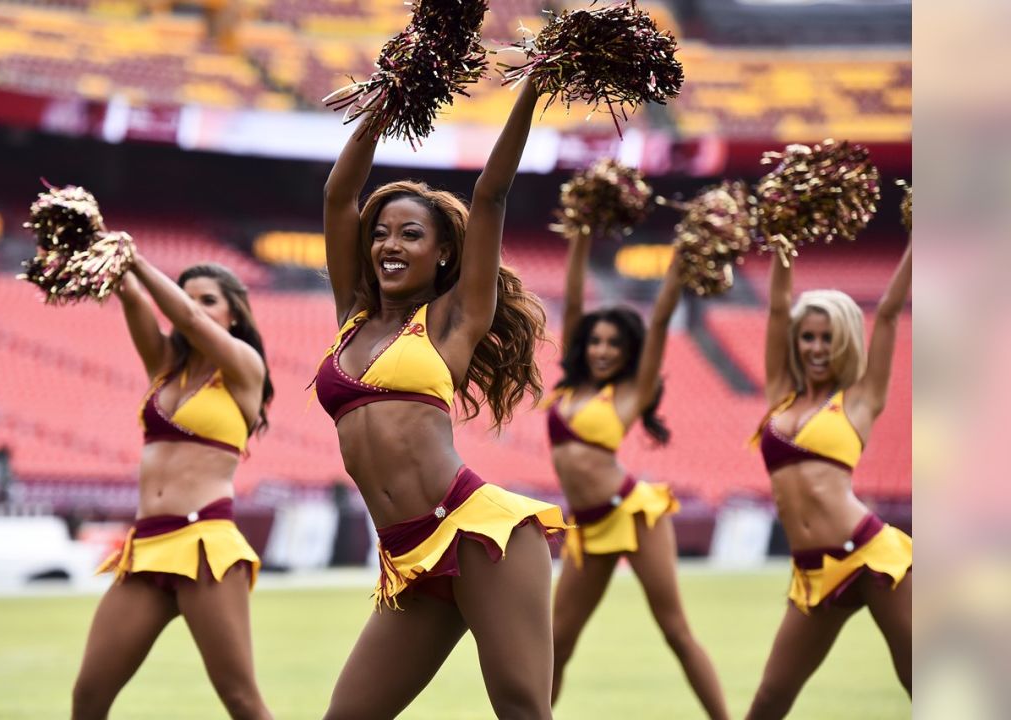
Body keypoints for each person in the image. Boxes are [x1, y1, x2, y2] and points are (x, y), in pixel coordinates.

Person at [316, 81, 568, 719]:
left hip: (477, 532)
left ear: (443, 251)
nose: (389, 245)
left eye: (409, 234)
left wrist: (534, 87)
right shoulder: (352, 312)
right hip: (406, 557)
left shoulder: (454, 319)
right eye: (380, 234)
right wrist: (388, 98)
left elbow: (490, 194)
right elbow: (339, 195)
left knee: (522, 710)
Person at [71, 258, 275, 720]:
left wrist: (136, 258)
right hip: (146, 548)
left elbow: (186, 317)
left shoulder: (244, 369)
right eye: (186, 294)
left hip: (204, 544)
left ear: (234, 315)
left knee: (241, 700)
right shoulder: (165, 365)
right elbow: (131, 294)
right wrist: (102, 244)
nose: (192, 306)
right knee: (88, 696)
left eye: (207, 299)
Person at [546, 237, 728, 716]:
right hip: (587, 528)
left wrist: (682, 262)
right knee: (555, 645)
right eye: (597, 341)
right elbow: (571, 299)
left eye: (614, 344)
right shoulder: (570, 387)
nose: (603, 350)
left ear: (629, 352)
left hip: (632, 515)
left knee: (675, 631)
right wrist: (581, 237)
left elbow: (663, 319)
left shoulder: (631, 393)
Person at [745, 240, 913, 719]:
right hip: (814, 574)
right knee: (770, 700)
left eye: (827, 338)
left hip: (869, 555)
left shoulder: (860, 400)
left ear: (844, 342)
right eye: (808, 337)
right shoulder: (779, 393)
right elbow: (778, 308)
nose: (816, 348)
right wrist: (785, 237)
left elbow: (890, 309)